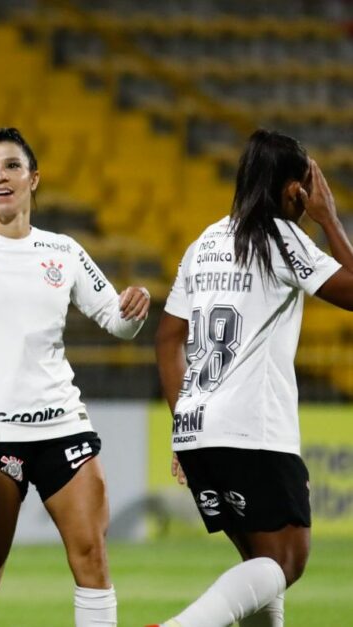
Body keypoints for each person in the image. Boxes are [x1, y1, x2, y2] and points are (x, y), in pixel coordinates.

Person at [0, 128, 150, 627]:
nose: (1, 176)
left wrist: (134, 308)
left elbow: (117, 321)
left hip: (63, 424)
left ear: (33, 179)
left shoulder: (63, 251)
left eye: (12, 166)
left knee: (92, 560)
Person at [152, 130, 353, 627]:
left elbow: (166, 339)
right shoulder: (282, 238)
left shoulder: (204, 242)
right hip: (252, 429)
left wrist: (183, 425)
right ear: (294, 190)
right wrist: (328, 218)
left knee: (261, 570)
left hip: (199, 428)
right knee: (289, 561)